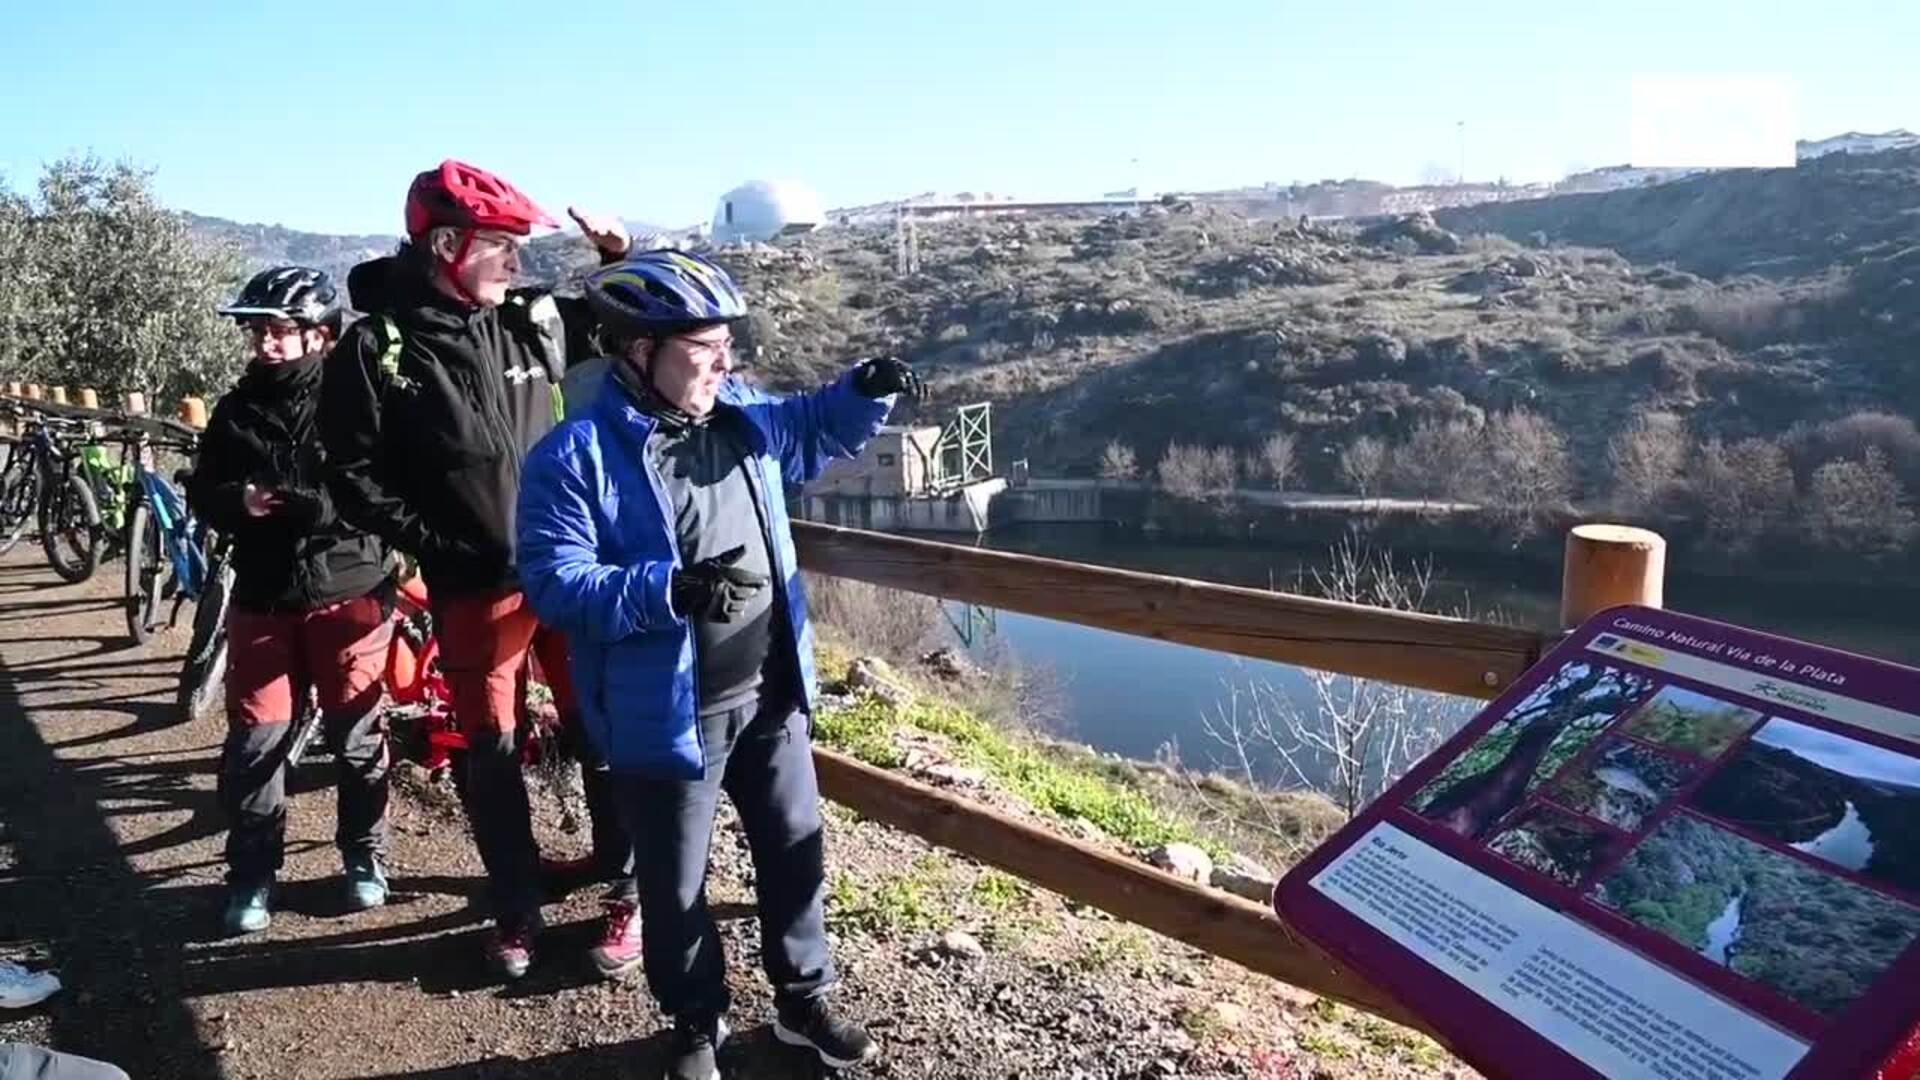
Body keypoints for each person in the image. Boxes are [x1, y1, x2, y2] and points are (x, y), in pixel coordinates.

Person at [515, 250, 924, 1079]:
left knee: (794, 849)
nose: (723, 362)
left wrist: (865, 389)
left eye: (724, 345)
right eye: (703, 348)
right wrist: (666, 589)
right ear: (639, 353)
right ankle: (696, 1024)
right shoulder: (575, 455)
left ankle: (803, 1002)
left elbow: (811, 427)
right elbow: (556, 583)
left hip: (770, 691)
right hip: (667, 713)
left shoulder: (738, 417)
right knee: (674, 888)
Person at [319, 160, 639, 980]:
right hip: (474, 585)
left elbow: (626, 326)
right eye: (501, 246)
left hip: (571, 570)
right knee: (488, 748)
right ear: (449, 244)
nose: (516, 263)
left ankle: (623, 891)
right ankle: (517, 907)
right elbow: (349, 472)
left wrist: (614, 261)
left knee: (601, 724)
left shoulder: (530, 318)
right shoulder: (378, 345)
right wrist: (437, 540)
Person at [188, 266, 394, 935]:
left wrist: (320, 509)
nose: (267, 345)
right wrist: (237, 503)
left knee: (357, 738)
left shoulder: (358, 403)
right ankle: (251, 876)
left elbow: (383, 488)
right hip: (265, 595)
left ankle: (364, 859)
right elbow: (203, 490)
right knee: (255, 743)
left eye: (280, 332)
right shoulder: (235, 409)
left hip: (349, 593)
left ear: (320, 336)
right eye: (259, 332)